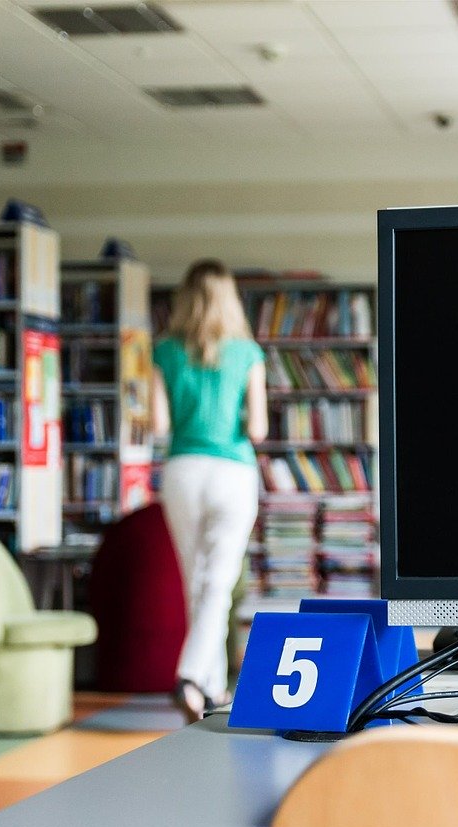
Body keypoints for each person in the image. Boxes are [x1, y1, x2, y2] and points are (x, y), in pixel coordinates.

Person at [152, 259, 267, 723]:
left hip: (182, 470)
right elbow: (257, 428)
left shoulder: (164, 352)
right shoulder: (247, 352)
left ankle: (209, 689)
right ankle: (192, 676)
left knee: (194, 582)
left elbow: (159, 424)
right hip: (233, 472)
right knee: (219, 582)